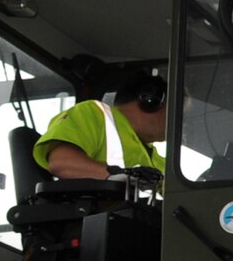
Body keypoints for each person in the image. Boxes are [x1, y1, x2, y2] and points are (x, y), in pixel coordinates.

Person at [33, 72, 167, 183]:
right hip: (99, 213)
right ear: (151, 99)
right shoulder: (95, 114)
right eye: (178, 112)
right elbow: (62, 163)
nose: (181, 124)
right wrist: (123, 175)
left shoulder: (157, 160)